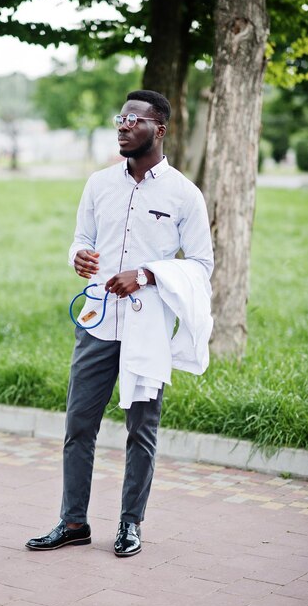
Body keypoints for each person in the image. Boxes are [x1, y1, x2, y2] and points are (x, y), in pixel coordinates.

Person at [25, 89, 214, 557]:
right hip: (96, 322)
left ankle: (131, 524)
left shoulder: (184, 195)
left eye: (135, 119)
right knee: (78, 425)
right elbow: (81, 238)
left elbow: (203, 264)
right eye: (121, 118)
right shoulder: (98, 184)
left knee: (141, 430)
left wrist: (147, 274)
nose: (124, 125)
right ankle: (73, 522)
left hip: (146, 326)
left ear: (160, 129)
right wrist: (79, 256)